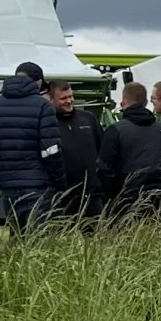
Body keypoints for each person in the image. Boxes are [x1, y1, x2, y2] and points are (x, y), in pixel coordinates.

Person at [0, 64, 62, 229]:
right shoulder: (43, 107)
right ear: (37, 82)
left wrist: (2, 177)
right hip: (39, 187)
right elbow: (51, 150)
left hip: (9, 188)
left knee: (18, 241)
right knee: (40, 243)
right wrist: (59, 182)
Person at [95, 81, 161, 214]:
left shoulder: (116, 130)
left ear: (123, 102)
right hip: (158, 200)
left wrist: (113, 195)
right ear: (145, 102)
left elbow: (104, 169)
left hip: (124, 202)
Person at [48, 79, 101, 218]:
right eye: (63, 98)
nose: (69, 101)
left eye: (71, 96)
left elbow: (101, 148)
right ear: (51, 99)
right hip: (63, 196)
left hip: (91, 194)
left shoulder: (88, 118)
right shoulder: (47, 123)